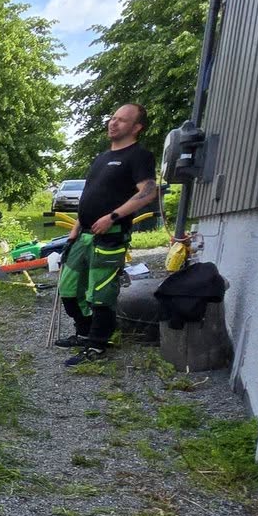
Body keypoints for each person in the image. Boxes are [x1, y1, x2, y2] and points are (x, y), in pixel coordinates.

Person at [56, 103, 161, 365]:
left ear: (137, 127)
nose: (113, 123)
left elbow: (149, 192)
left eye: (122, 120)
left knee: (100, 293)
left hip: (110, 236)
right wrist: (74, 232)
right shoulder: (101, 158)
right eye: (113, 118)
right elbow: (89, 198)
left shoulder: (139, 156)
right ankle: (83, 333)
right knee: (69, 288)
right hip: (83, 235)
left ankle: (97, 345)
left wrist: (113, 216)